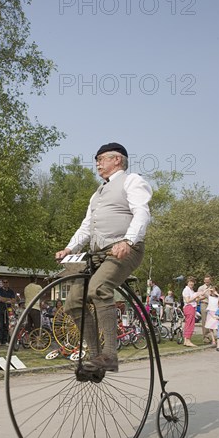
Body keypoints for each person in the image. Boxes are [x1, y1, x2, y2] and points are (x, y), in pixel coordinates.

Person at [55, 142, 152, 378]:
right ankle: (95, 357)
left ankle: (109, 355)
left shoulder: (132, 181)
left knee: (98, 289)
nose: (97, 163)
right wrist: (70, 247)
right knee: (73, 301)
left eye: (100, 158)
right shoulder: (97, 193)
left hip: (124, 250)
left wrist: (128, 241)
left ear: (117, 159)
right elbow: (87, 227)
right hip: (97, 256)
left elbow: (142, 212)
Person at [182, 277, 204, 347]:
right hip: (189, 307)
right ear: (187, 282)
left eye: (192, 282)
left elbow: (194, 299)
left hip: (192, 307)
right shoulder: (186, 290)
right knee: (190, 324)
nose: (191, 283)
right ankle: (188, 340)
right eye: (190, 282)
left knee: (189, 324)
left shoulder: (191, 290)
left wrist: (200, 297)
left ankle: (186, 340)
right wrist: (196, 296)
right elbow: (188, 300)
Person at [0, 279, 16, 345]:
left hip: (8, 309)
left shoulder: (11, 291)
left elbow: (13, 300)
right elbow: (0, 299)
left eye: (6, 282)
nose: (5, 283)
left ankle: (6, 340)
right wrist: (8, 299)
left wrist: (5, 299)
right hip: (0, 309)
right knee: (0, 325)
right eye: (4, 282)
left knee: (7, 325)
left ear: (8, 283)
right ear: (2, 283)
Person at [197, 274, 213, 343]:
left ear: (210, 281)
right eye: (205, 280)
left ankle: (210, 336)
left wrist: (206, 295)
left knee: (211, 321)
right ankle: (205, 337)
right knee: (204, 320)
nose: (207, 282)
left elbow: (214, 296)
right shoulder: (201, 288)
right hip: (204, 304)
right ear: (204, 280)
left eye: (208, 281)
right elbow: (199, 297)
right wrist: (206, 295)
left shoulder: (212, 287)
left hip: (211, 305)